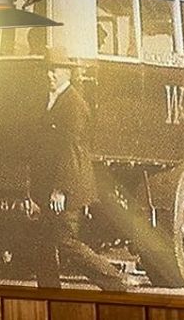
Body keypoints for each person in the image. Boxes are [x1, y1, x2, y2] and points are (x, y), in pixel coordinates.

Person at [29, 46, 129, 291]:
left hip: (66, 187)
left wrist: (60, 189)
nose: (50, 75)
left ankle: (115, 281)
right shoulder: (49, 100)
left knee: (66, 242)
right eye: (47, 70)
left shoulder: (73, 104)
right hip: (47, 187)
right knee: (43, 242)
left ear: (68, 72)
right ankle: (49, 292)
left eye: (55, 70)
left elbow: (71, 150)